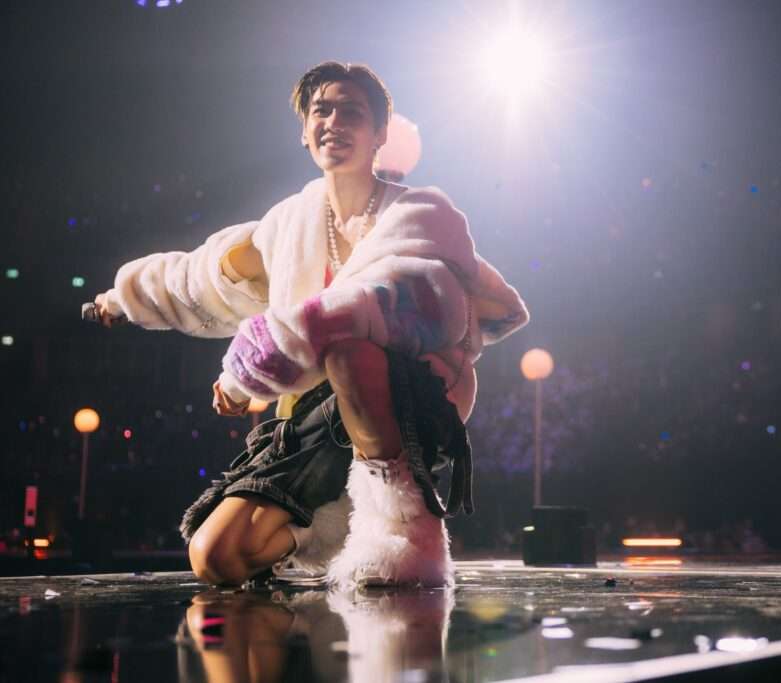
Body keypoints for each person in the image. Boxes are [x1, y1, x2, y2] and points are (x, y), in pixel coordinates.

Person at [91, 61, 528, 587]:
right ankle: (324, 532)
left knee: (349, 352)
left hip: (412, 397)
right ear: (304, 130)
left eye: (352, 112)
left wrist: (248, 370)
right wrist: (123, 298)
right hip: (314, 421)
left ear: (380, 134)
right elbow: (201, 277)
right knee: (214, 557)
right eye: (321, 110)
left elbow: (374, 306)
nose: (333, 122)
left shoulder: (422, 216)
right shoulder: (289, 222)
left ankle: (404, 532)